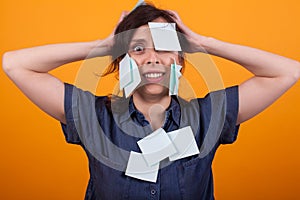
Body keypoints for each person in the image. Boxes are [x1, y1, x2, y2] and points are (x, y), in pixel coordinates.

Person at [2, 4, 300, 200]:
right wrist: (103, 46)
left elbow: (288, 72)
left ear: (180, 63)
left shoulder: (208, 117)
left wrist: (204, 44)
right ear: (122, 61)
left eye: (165, 48)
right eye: (139, 48)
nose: (153, 58)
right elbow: (14, 64)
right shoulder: (94, 118)